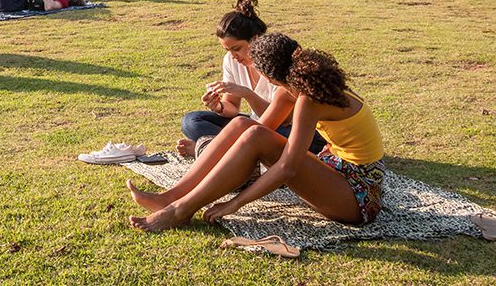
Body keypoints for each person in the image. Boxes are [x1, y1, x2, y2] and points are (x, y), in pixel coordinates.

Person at [129, 32, 385, 232]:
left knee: (253, 135)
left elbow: (287, 167)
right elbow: (254, 130)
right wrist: (216, 150)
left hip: (359, 197)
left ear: (269, 75)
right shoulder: (292, 89)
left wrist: (235, 203)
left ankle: (181, 210)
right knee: (242, 125)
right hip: (335, 169)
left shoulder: (309, 99)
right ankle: (171, 197)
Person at [177, 0, 324, 157]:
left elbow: (283, 119)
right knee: (192, 121)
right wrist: (218, 106)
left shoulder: (274, 60)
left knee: (269, 135)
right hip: (259, 124)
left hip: (291, 129)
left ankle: (210, 148)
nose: (233, 56)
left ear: (254, 39)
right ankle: (220, 148)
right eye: (227, 50)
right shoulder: (231, 61)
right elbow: (232, 107)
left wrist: (247, 94)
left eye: (236, 48)